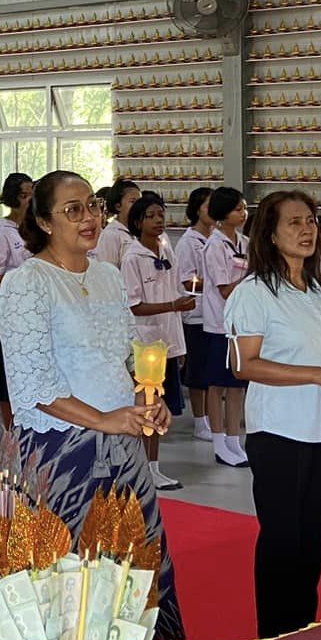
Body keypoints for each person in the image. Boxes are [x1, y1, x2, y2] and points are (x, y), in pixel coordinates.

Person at [0, 172, 180, 640]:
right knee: (65, 578)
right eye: (72, 210)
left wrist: (148, 400)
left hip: (122, 437)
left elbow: (125, 354)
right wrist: (102, 419)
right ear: (42, 220)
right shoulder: (27, 282)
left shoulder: (107, 275)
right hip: (57, 450)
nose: (88, 218)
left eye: (93, 206)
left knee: (130, 566)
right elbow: (33, 383)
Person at [223, 191, 321, 638]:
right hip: (279, 427)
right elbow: (244, 365)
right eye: (294, 222)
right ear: (271, 234)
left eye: (312, 221)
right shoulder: (254, 293)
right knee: (282, 535)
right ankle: (274, 632)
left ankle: (303, 626)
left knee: (314, 533)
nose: (307, 230)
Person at [119, 193, 190, 493]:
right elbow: (134, 306)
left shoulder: (165, 249)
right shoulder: (132, 257)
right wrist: (174, 305)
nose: (159, 220)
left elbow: (175, 290)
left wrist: (179, 345)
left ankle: (153, 467)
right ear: (138, 222)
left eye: (161, 214)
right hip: (145, 343)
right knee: (146, 407)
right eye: (151, 215)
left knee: (161, 408)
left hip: (167, 340)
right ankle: (144, 469)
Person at [198, 187, 250, 467]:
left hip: (241, 323)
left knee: (237, 386)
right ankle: (219, 444)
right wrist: (253, 276)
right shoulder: (215, 246)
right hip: (219, 323)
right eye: (237, 209)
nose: (243, 213)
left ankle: (234, 440)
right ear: (223, 214)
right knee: (217, 385)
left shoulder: (244, 242)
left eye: (244, 208)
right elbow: (225, 289)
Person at [0, 174, 35, 423]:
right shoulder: (0, 235)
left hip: (31, 315)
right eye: (27, 194)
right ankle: (10, 434)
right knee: (6, 381)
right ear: (17, 198)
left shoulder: (31, 231)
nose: (31, 199)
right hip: (7, 320)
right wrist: (27, 275)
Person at [172, 186, 214, 440]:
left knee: (212, 372)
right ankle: (200, 421)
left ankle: (210, 418)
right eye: (209, 206)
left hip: (215, 315)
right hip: (196, 314)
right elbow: (186, 281)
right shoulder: (188, 242)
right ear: (198, 209)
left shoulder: (216, 238)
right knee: (199, 373)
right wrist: (216, 284)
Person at [93, 181, 138, 267]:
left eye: (140, 202)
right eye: (132, 201)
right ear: (118, 206)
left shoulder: (134, 233)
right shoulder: (111, 234)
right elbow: (108, 274)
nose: (138, 206)